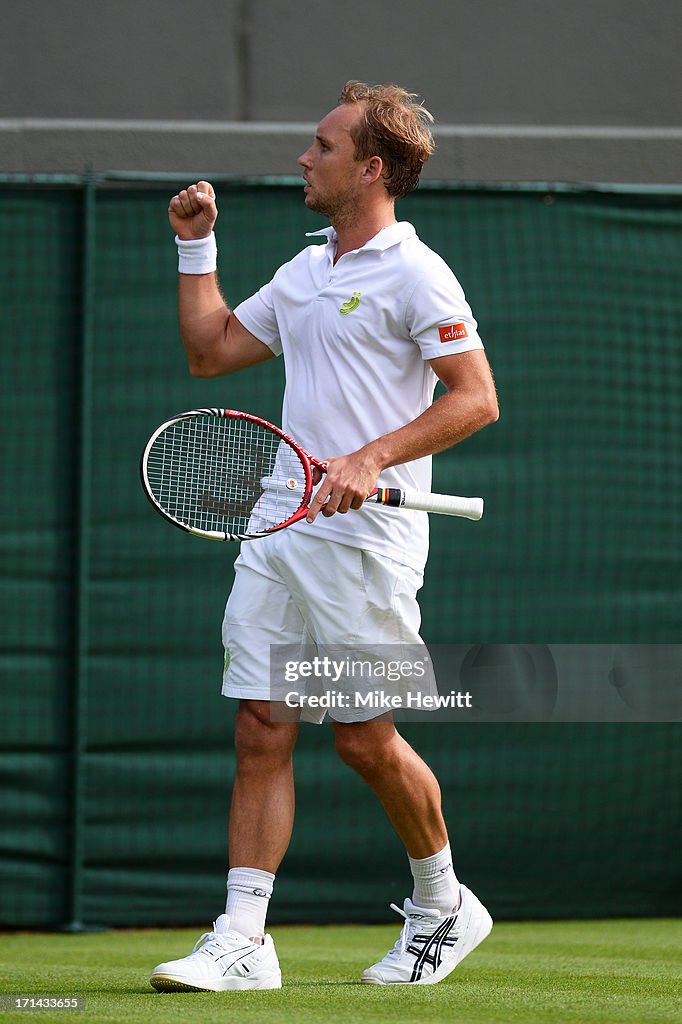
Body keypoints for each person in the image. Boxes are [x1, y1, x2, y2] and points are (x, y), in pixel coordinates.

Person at [150, 80, 499, 992]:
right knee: (262, 727)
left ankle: (445, 902)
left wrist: (373, 458)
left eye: (324, 146)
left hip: (363, 543)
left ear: (372, 168)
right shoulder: (306, 271)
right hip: (277, 525)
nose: (305, 158)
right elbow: (212, 351)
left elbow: (476, 397)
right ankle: (243, 939)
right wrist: (198, 246)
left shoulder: (418, 273)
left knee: (361, 740)